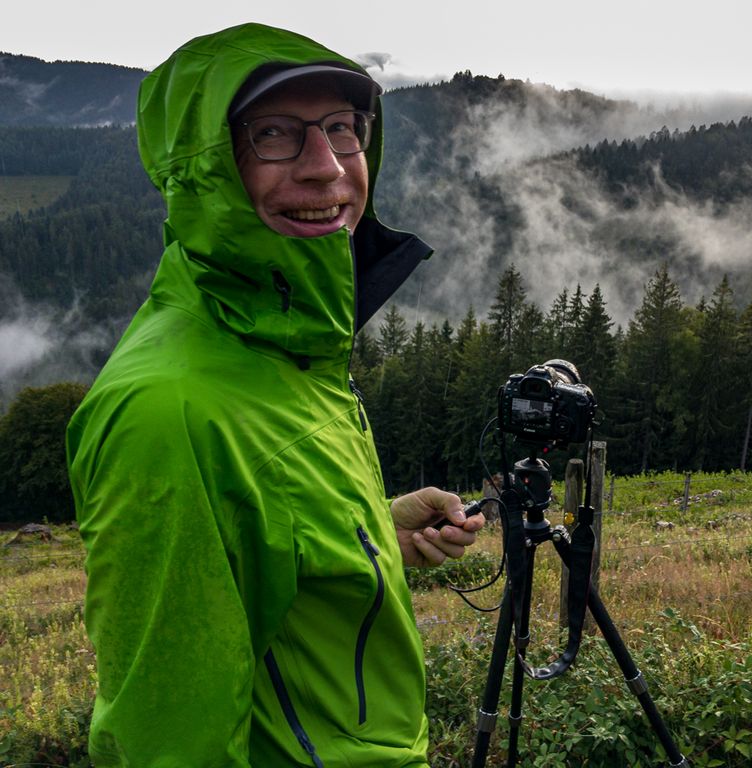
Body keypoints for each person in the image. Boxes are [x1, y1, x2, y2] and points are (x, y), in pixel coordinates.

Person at [66, 23, 483, 767]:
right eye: (274, 135)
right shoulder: (172, 414)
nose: (327, 169)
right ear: (204, 168)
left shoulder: (294, 349)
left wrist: (380, 537)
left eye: (342, 130)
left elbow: (258, 546)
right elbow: (169, 742)